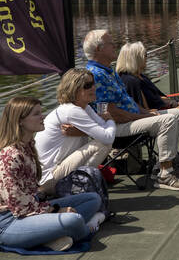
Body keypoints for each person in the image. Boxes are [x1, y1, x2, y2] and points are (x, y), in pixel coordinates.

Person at [83, 30, 179, 191]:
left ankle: (161, 166)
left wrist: (145, 113)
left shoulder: (109, 71)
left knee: (177, 113)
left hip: (129, 119)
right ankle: (165, 175)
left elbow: (130, 102)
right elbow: (111, 112)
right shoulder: (96, 75)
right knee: (168, 119)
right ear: (99, 49)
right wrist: (140, 117)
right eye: (110, 43)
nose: (115, 45)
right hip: (116, 128)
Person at [0, 97, 103, 251]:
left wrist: (50, 209)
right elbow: (18, 206)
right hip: (10, 222)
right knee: (72, 220)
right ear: (20, 120)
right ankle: (87, 228)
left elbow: (32, 194)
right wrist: (54, 211)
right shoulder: (11, 155)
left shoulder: (28, 146)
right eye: (36, 114)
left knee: (93, 199)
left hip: (33, 210)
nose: (43, 117)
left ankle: (48, 236)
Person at [35, 69, 116, 195]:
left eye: (93, 83)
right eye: (87, 85)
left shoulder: (84, 107)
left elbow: (103, 130)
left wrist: (85, 131)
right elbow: (107, 137)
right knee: (103, 145)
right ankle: (79, 186)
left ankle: (81, 183)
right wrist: (110, 120)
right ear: (74, 89)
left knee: (102, 141)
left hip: (58, 169)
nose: (94, 87)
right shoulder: (72, 111)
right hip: (49, 178)